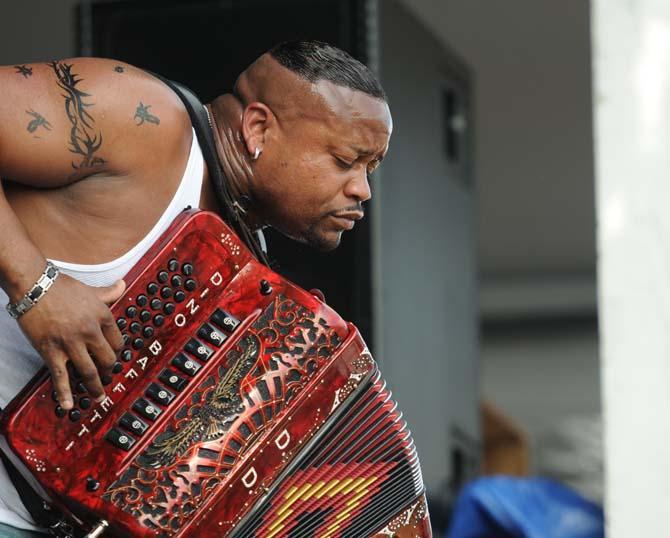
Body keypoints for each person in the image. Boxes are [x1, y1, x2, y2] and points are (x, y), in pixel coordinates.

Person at [0, 40, 392, 535]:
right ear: (258, 129)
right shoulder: (142, 119)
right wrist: (36, 286)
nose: (362, 190)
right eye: (344, 160)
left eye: (369, 169)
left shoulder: (248, 271)